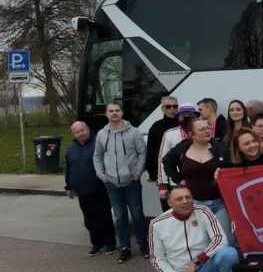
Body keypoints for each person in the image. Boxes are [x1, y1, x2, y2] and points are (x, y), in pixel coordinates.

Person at [149, 185, 238, 272]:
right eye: (179, 199)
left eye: (188, 197)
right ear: (170, 202)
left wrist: (196, 262)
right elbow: (156, 258)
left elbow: (220, 239)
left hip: (206, 266)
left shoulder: (203, 211)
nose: (185, 201)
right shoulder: (157, 223)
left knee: (229, 253)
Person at [161, 118, 234, 246]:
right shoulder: (182, 147)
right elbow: (166, 162)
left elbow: (232, 169)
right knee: (200, 242)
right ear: (191, 134)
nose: (207, 131)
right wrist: (179, 179)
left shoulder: (220, 148)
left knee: (225, 240)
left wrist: (223, 177)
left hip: (219, 203)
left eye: (208, 128)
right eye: (202, 129)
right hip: (194, 204)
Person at [93, 101, 148, 263]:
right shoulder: (102, 135)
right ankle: (125, 248)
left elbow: (142, 153)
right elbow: (97, 156)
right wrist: (101, 175)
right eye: (111, 111)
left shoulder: (134, 132)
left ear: (122, 113)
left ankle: (143, 244)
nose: (114, 113)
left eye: (117, 110)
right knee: (120, 216)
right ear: (106, 114)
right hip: (111, 183)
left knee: (137, 215)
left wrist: (138, 173)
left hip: (131, 181)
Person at [65, 121, 116, 256]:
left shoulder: (98, 143)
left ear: (88, 129)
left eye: (83, 130)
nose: (81, 133)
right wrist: (68, 186)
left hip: (101, 187)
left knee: (104, 217)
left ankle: (110, 243)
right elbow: (69, 168)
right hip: (83, 190)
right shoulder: (71, 148)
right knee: (89, 219)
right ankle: (96, 243)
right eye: (77, 132)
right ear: (74, 134)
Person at [156, 103, 200, 203]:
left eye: (190, 115)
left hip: (199, 180)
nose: (186, 117)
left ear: (196, 117)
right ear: (178, 117)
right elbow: (162, 160)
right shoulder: (170, 134)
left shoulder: (203, 131)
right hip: (177, 182)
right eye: (183, 115)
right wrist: (163, 185)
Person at [145, 96, 180, 210]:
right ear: (162, 109)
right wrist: (154, 175)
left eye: (175, 106)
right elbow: (150, 151)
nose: (172, 109)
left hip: (181, 175)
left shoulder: (184, 125)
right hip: (163, 175)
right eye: (168, 106)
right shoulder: (156, 126)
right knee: (168, 209)